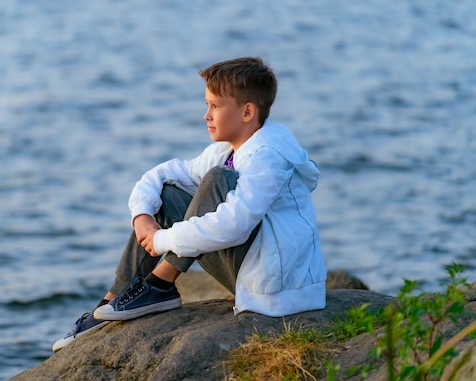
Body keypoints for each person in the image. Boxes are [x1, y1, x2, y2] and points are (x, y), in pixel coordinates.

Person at [52, 56, 326, 352]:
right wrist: (142, 215)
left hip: (278, 286)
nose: (206, 115)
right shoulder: (226, 149)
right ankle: (109, 303)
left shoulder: (268, 156)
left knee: (217, 180)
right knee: (168, 191)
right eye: (207, 105)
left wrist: (163, 239)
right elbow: (164, 174)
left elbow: (235, 225)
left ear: (247, 112)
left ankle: (160, 285)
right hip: (250, 265)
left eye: (215, 106)